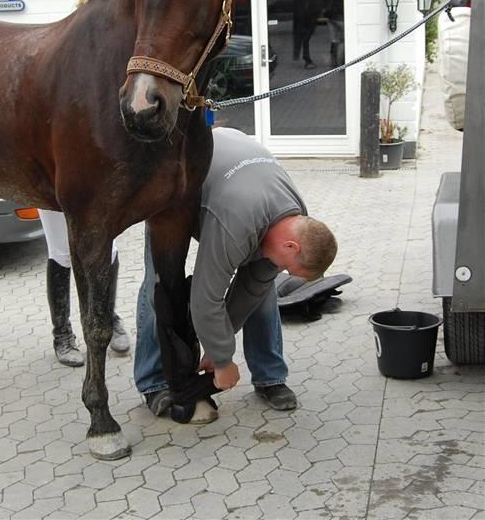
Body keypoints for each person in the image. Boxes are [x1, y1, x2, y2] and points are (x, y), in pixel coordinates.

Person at [134, 127, 337, 420]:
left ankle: (270, 377)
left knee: (263, 290)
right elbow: (207, 297)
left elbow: (251, 288)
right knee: (159, 288)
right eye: (289, 267)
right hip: (172, 192)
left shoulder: (297, 218)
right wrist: (223, 358)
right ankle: (154, 383)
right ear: (291, 245)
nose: (284, 271)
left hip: (231, 172)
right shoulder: (237, 221)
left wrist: (217, 351)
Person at [39, 209, 130, 366]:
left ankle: (108, 317)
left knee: (107, 247)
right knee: (61, 252)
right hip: (52, 191)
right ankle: (62, 334)